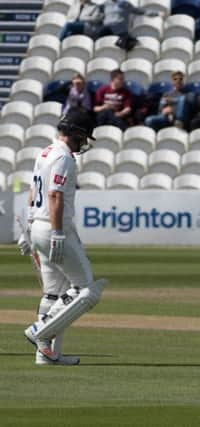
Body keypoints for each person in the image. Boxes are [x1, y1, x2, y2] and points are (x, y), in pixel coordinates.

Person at [21, 108, 107, 365]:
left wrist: (28, 227)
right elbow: (55, 195)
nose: (83, 142)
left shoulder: (45, 152)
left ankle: (46, 356)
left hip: (39, 225)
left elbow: (32, 189)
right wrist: (58, 233)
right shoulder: (63, 157)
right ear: (75, 133)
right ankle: (40, 333)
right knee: (87, 290)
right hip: (53, 227)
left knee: (53, 292)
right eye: (83, 137)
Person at [98, 0, 164, 50]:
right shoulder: (105, 4)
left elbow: (140, 11)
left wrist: (157, 13)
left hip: (119, 27)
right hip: (106, 28)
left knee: (128, 42)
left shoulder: (125, 4)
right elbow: (98, 15)